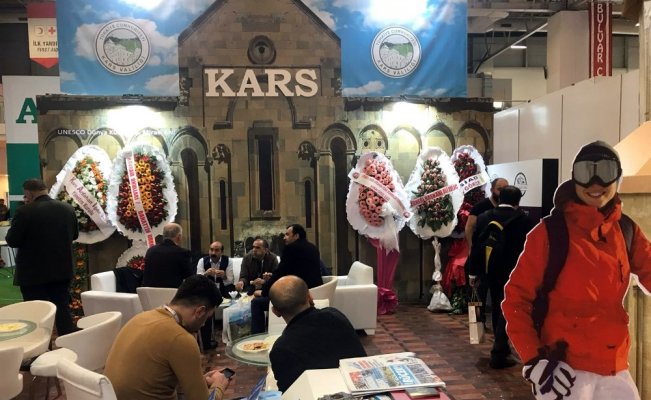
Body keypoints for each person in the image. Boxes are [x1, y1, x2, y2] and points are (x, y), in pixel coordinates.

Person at [503, 141, 651, 400]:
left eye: (605, 171)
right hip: (564, 371)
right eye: (586, 172)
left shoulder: (625, 231)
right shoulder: (550, 234)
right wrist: (534, 359)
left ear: (618, 177)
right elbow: (516, 300)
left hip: (614, 365)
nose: (595, 183)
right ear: (574, 178)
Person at [105, 274, 232, 400]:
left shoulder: (140, 318)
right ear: (199, 312)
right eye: (206, 318)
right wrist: (219, 385)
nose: (203, 324)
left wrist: (199, 381)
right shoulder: (181, 338)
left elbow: (152, 378)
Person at [467, 185, 534, 369]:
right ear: (518, 201)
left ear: (499, 198)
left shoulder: (484, 217)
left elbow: (476, 246)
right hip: (513, 271)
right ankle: (499, 350)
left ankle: (501, 348)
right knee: (506, 308)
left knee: (497, 304)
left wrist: (473, 272)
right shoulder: (525, 220)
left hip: (488, 269)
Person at [268, 275, 366, 392]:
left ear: (275, 311)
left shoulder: (281, 348)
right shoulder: (335, 316)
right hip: (364, 390)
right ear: (310, 297)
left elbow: (289, 394)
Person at [6, 179, 79, 335]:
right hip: (62, 269)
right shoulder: (67, 209)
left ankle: (40, 346)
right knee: (62, 308)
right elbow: (74, 235)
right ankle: (68, 342)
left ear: (29, 193)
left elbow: (12, 241)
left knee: (36, 313)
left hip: (33, 273)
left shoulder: (24, 212)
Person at [250, 224, 322, 334]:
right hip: (315, 292)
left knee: (256, 302)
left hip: (297, 297)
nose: (284, 237)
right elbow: (296, 271)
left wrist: (264, 291)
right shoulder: (313, 248)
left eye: (287, 234)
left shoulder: (291, 248)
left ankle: (258, 336)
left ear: (296, 236)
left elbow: (280, 273)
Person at [464, 177, 508, 326]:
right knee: (477, 293)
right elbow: (469, 227)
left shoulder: (508, 210)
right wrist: (471, 248)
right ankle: (476, 325)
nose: (503, 192)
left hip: (499, 260)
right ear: (492, 190)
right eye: (500, 189)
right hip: (481, 257)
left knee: (498, 296)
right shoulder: (480, 207)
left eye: (506, 189)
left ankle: (498, 327)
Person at [196, 240, 234, 349]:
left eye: (217, 250)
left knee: (233, 298)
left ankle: (231, 334)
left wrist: (224, 276)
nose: (213, 253)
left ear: (221, 252)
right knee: (206, 302)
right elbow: (198, 279)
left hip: (223, 289)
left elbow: (230, 281)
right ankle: (208, 339)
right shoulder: (202, 261)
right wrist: (206, 274)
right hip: (208, 290)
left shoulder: (228, 261)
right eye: (211, 250)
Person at [143, 223, 194, 288]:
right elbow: (189, 277)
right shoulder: (182, 252)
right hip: (172, 292)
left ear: (164, 236)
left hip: (149, 292)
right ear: (179, 237)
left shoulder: (150, 251)